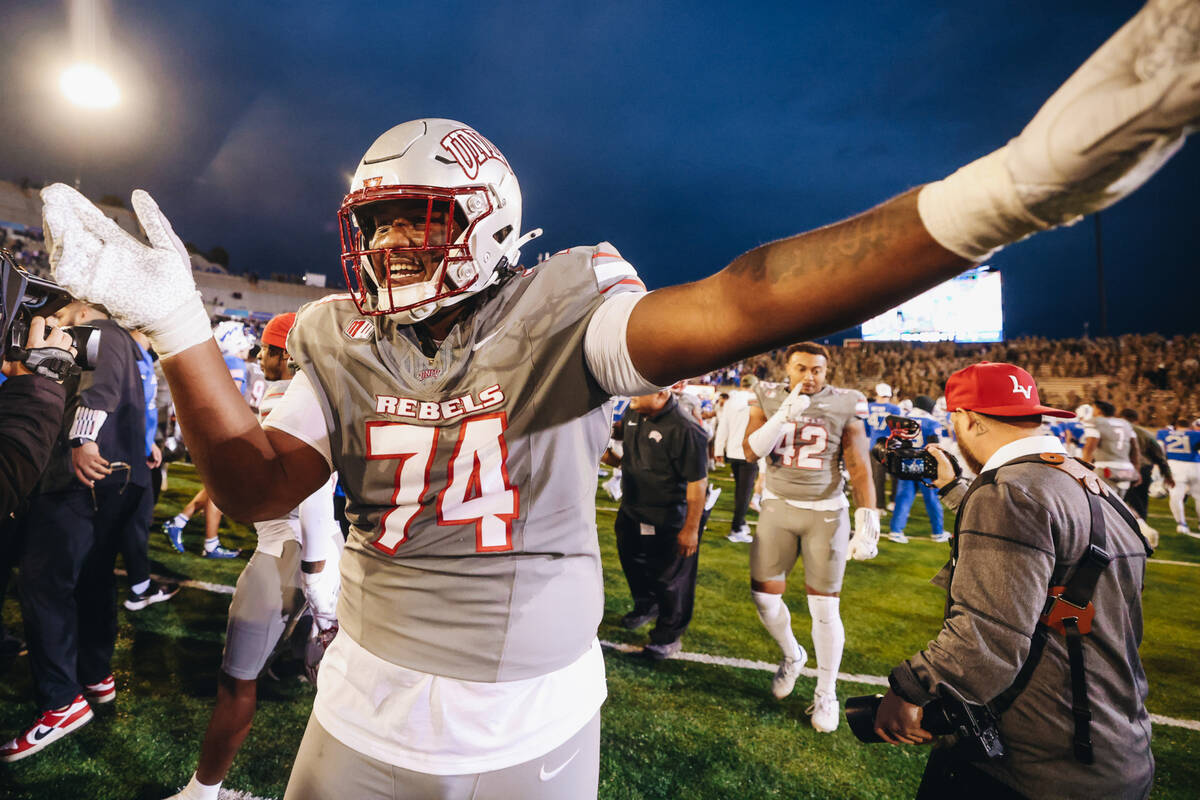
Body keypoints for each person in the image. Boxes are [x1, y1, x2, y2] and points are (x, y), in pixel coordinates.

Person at [39, 6, 1199, 793]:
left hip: (526, 708)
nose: (391, 242)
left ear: (487, 220)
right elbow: (250, 486)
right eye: (376, 220)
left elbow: (747, 296)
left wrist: (1007, 192)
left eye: (419, 217)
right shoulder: (341, 334)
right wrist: (180, 329)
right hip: (363, 691)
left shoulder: (561, 304)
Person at [874, 362, 1153, 800]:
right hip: (1113, 748)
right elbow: (1046, 551)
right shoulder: (1085, 481)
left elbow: (987, 637)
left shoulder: (1008, 491)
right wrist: (953, 488)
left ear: (966, 418)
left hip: (1036, 762)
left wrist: (910, 688)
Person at [169, 312, 343, 800]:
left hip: (289, 552)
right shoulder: (301, 399)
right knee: (323, 677)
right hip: (319, 548)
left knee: (236, 682)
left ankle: (202, 792)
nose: (260, 358)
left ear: (285, 355)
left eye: (266, 350)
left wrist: (315, 577)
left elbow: (311, 495)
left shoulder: (287, 403)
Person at [1, 301, 151, 762]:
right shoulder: (129, 341)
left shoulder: (99, 330)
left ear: (85, 302)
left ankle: (60, 702)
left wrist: (80, 439)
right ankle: (95, 674)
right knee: (93, 579)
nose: (58, 319)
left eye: (64, 308)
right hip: (114, 481)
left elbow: (97, 389)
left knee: (45, 586)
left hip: (74, 480)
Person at [741, 342, 877, 732]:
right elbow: (750, 451)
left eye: (817, 369)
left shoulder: (846, 402)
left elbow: (858, 462)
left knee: (825, 610)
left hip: (826, 513)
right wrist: (783, 415)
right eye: (802, 368)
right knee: (765, 599)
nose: (810, 376)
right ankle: (792, 655)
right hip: (778, 507)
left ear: (826, 371)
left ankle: (826, 692)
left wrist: (867, 518)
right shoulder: (765, 395)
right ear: (788, 368)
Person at [603, 388, 709, 659]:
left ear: (661, 393)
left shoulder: (686, 429)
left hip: (669, 517)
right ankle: (646, 605)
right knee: (631, 562)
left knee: (672, 580)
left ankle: (667, 636)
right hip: (632, 509)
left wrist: (690, 529)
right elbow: (624, 449)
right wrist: (604, 449)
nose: (631, 396)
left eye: (639, 391)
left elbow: (698, 485)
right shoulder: (635, 413)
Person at [161, 321, 256, 559]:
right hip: (222, 432)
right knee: (221, 491)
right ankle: (210, 543)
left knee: (218, 488)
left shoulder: (222, 361)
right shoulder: (234, 362)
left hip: (213, 432)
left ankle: (179, 522)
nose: (248, 341)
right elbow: (229, 402)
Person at [121, 328, 177, 611]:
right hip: (129, 455)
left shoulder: (142, 356)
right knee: (133, 521)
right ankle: (139, 588)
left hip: (139, 450)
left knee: (132, 522)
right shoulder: (131, 356)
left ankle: (139, 584)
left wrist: (151, 442)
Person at [888, 395, 948, 543]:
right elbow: (935, 447)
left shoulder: (902, 420)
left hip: (906, 463)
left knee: (903, 498)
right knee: (931, 498)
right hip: (925, 464)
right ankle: (938, 532)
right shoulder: (931, 423)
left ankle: (895, 531)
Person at [713, 375, 757, 542]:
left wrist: (719, 448)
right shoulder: (756, 400)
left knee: (741, 491)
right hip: (749, 451)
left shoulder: (731, 400)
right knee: (744, 493)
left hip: (732, 451)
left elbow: (723, 425)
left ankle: (741, 522)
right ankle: (736, 529)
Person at [1081, 400, 1140, 493]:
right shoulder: (1125, 424)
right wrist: (1137, 470)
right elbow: (1135, 449)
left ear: (1099, 410)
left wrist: (1083, 468)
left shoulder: (1095, 422)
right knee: (1119, 504)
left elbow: (1090, 447)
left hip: (1105, 468)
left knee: (1102, 503)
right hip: (1126, 469)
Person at [1157, 419, 1200, 534]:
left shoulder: (1163, 433)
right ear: (1189, 426)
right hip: (1195, 467)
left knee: (1176, 497)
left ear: (1176, 426)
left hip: (1174, 467)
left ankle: (1182, 524)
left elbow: (1160, 449)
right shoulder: (1194, 434)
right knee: (1199, 497)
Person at [865, 382, 900, 514]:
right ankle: (893, 502)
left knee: (877, 477)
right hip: (891, 445)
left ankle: (879, 506)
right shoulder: (895, 409)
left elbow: (866, 429)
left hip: (874, 445)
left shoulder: (868, 407)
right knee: (895, 475)